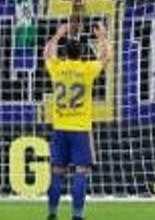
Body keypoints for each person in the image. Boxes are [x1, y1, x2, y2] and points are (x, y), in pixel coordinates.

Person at [42, 22, 110, 220]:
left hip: (60, 128)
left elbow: (46, 54)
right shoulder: (86, 69)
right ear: (81, 53)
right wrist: (103, 37)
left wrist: (57, 35)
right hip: (80, 129)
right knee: (81, 171)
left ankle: (52, 214)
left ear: (65, 53)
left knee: (57, 172)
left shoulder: (58, 68)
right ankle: (77, 216)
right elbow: (106, 58)